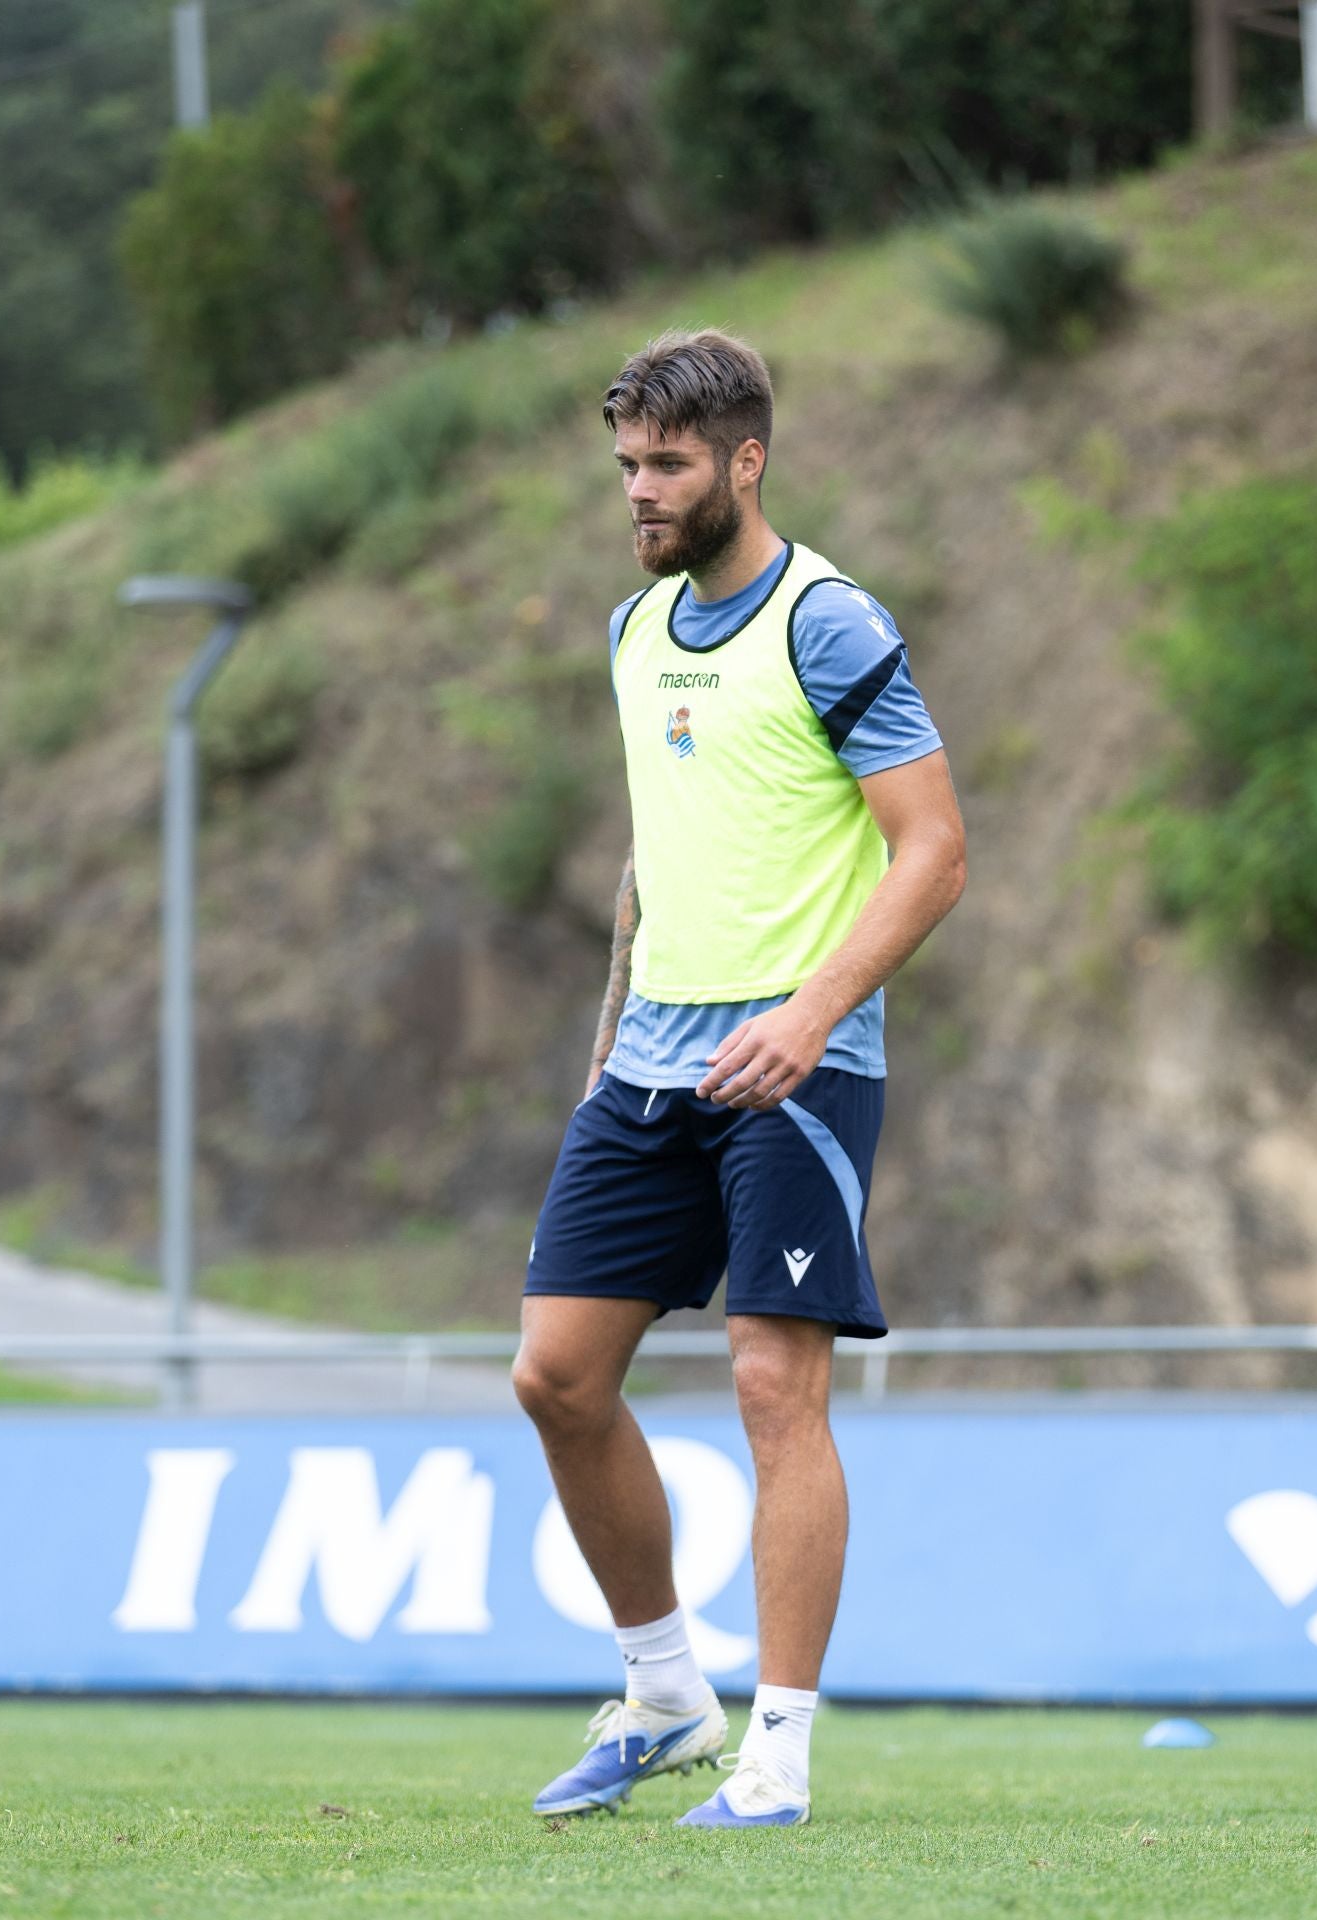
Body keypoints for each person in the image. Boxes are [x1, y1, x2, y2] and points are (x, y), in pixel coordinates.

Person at [513, 328, 965, 1828]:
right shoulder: (635, 632)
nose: (640, 490)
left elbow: (934, 852)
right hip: (649, 1061)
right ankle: (665, 1695)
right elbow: (655, 860)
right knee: (555, 1377)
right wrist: (606, 1041)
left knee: (775, 1383)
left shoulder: (830, 623)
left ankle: (779, 1746)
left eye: (669, 464)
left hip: (798, 1064)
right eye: (627, 464)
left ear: (746, 461)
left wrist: (813, 1014)